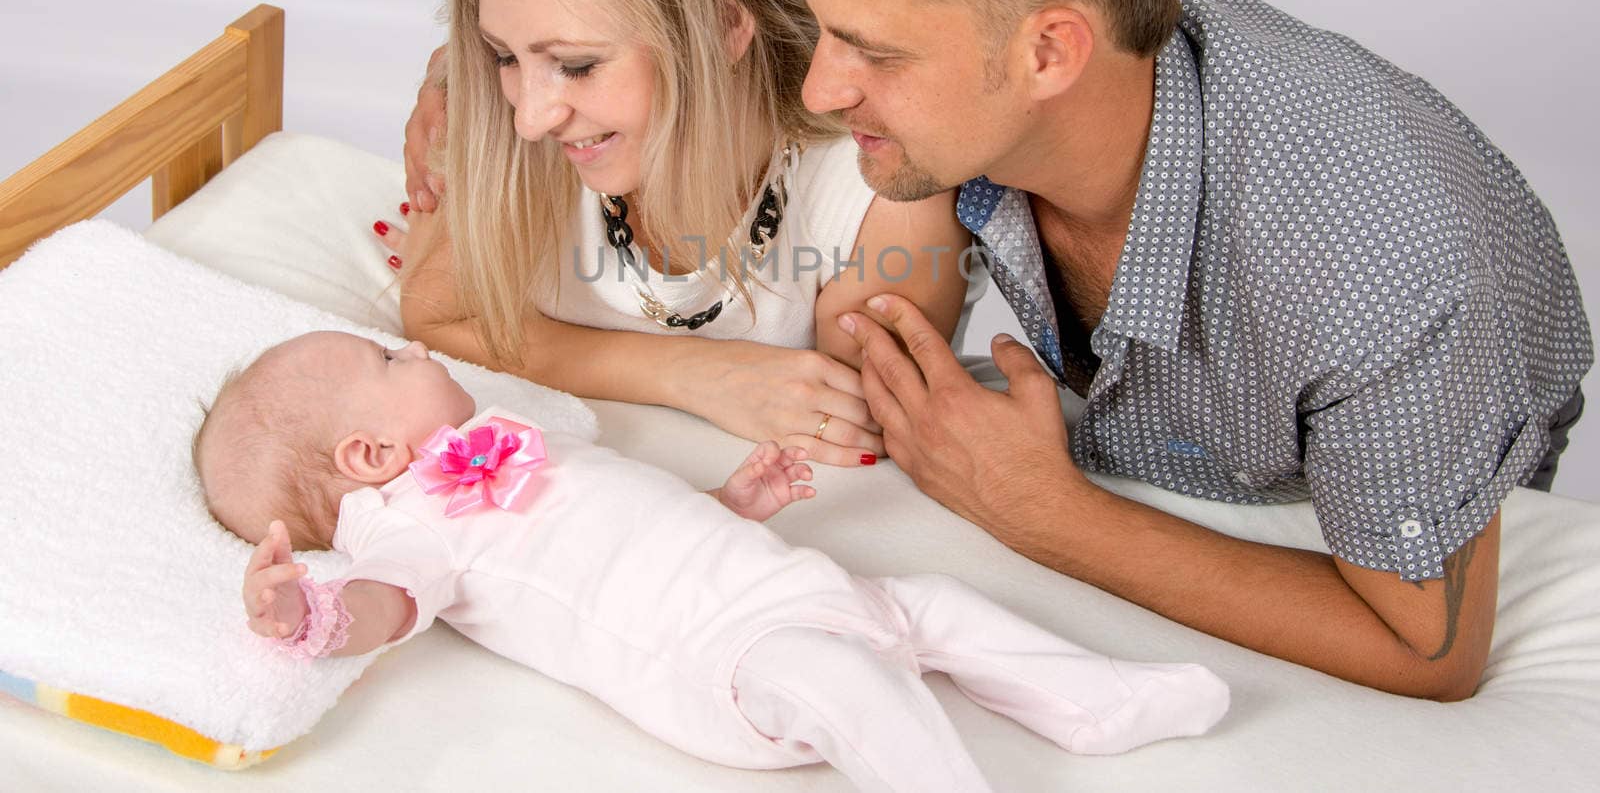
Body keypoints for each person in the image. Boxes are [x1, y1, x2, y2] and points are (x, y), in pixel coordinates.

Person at [795, 0, 1592, 701]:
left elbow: (1431, 650)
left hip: (1344, 502)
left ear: (1050, 50)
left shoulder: (1384, 264)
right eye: (828, 31)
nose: (820, 89)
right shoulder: (986, 104)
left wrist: (1044, 510)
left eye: (876, 53)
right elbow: (855, 343)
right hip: (1156, 444)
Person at [193, 331, 1231, 792]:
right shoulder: (410, 523)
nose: (413, 350)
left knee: (939, 604)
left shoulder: (514, 443)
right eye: (387, 362)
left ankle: (1097, 699)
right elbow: (386, 604)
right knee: (854, 683)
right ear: (370, 457)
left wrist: (733, 501)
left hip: (779, 583)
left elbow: (622, 522)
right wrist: (309, 616)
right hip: (720, 657)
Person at [389, 0, 972, 469]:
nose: (529, 118)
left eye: (577, 65)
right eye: (504, 56)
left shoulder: (877, 194)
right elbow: (440, 315)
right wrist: (690, 372)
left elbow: (848, 425)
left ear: (726, 22)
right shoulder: (498, 123)